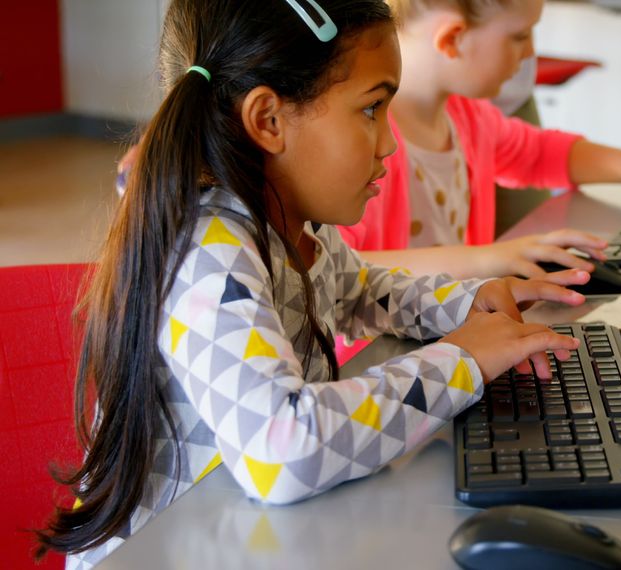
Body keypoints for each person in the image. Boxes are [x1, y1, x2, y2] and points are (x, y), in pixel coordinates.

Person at [36, 0, 588, 567]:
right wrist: (462, 360)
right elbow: (283, 446)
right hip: (178, 547)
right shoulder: (205, 245)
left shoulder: (292, 221)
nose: (390, 144)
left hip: (257, 532)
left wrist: (469, 302)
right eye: (371, 109)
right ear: (268, 120)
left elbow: (365, 291)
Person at [337, 0, 621, 279]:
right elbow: (341, 272)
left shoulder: (467, 118)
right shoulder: (361, 148)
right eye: (519, 36)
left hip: (443, 337)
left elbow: (541, 153)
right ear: (452, 39)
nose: (529, 53)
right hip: (376, 363)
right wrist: (489, 260)